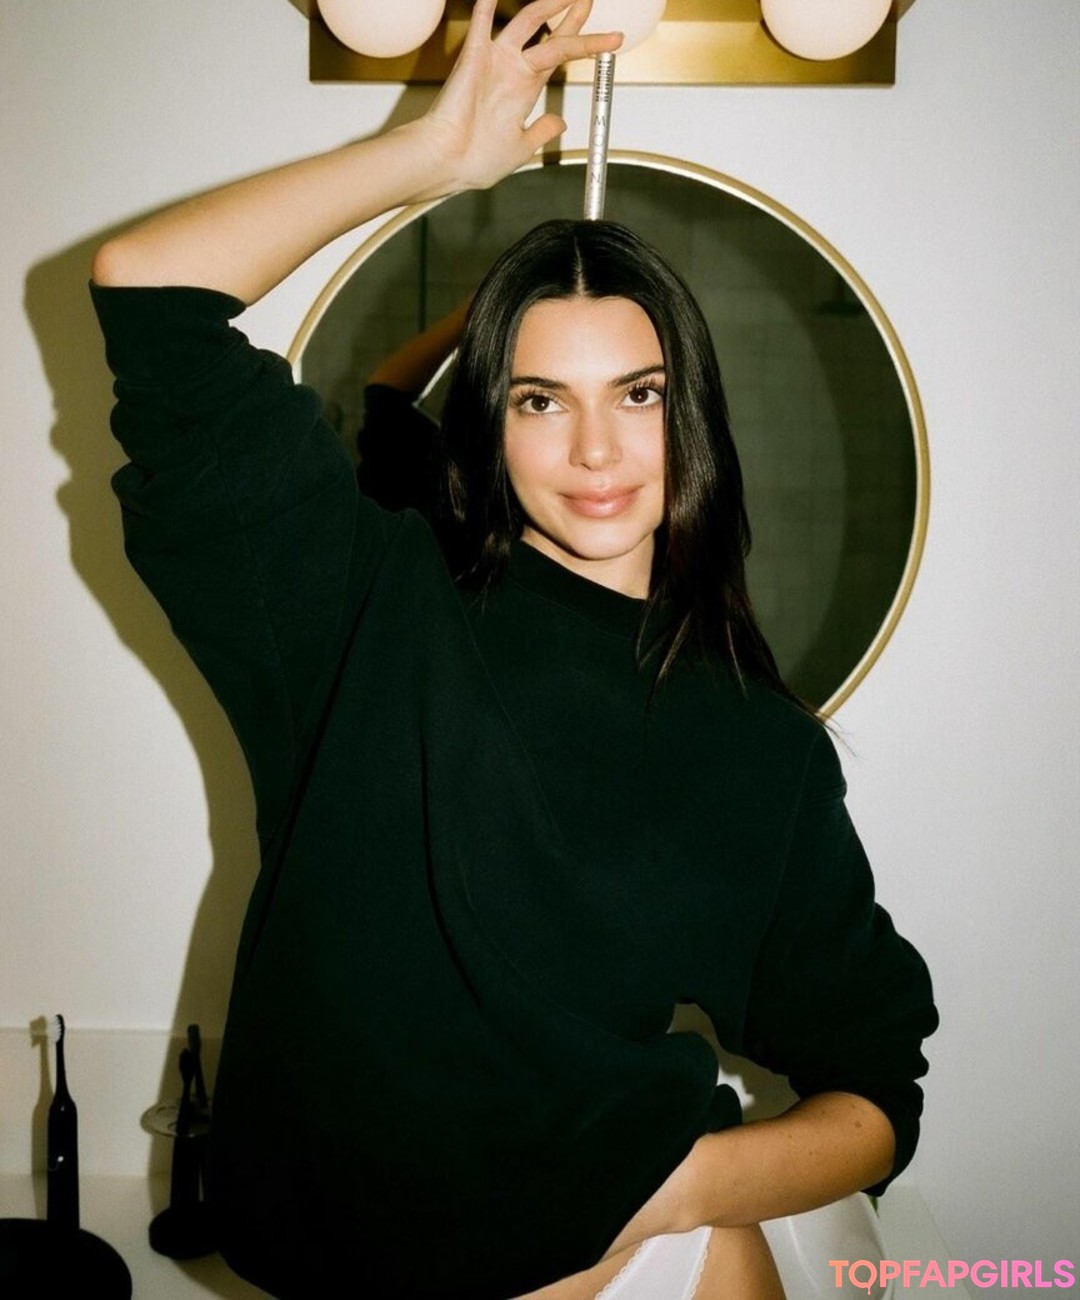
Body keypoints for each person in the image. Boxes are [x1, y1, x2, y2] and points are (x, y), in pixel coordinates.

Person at [89, 2, 937, 1297]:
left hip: (644, 1268)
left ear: (692, 418)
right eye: (543, 400)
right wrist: (430, 158)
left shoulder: (754, 745)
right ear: (489, 424)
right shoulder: (370, 606)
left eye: (638, 395)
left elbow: (876, 1092)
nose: (596, 451)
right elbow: (151, 291)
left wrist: (673, 1190)